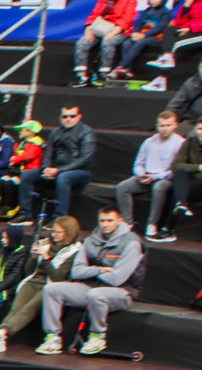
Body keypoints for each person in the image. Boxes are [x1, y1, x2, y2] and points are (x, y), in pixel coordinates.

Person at [37, 204, 142, 356]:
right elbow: (76, 271)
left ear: (120, 220)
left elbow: (117, 278)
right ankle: (52, 338)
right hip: (90, 286)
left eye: (109, 220)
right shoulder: (90, 240)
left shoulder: (132, 243)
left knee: (96, 294)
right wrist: (98, 269)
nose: (105, 224)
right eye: (102, 220)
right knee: (51, 289)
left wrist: (89, 271)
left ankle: (97, 336)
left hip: (123, 291)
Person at [119, 110, 194, 242]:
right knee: (123, 186)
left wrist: (156, 176)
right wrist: (141, 174)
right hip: (146, 176)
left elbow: (176, 169)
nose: (164, 129)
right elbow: (138, 163)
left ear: (175, 125)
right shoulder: (149, 141)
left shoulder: (180, 143)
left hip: (166, 178)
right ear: (157, 126)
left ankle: (152, 224)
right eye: (162, 125)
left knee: (159, 187)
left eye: (168, 125)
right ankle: (128, 222)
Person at [37, 104, 97, 221]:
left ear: (79, 117)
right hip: (56, 169)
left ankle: (59, 218)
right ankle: (25, 214)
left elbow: (85, 159)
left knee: (63, 177)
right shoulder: (55, 133)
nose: (68, 119)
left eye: (72, 116)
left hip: (82, 171)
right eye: (65, 116)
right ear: (60, 117)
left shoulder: (87, 133)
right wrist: (45, 168)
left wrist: (58, 170)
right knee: (27, 176)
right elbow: (48, 153)